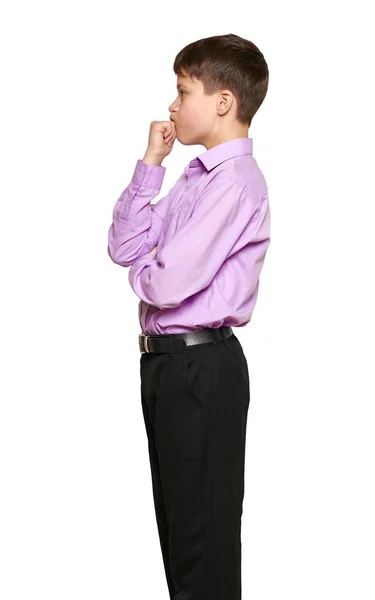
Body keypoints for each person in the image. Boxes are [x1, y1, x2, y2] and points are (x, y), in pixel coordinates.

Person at [108, 32, 271, 600]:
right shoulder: (194, 178)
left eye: (183, 91)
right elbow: (125, 245)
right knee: (180, 533)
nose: (172, 106)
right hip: (169, 368)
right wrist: (152, 162)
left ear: (223, 101)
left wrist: (147, 272)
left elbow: (167, 280)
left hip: (202, 368)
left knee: (203, 539)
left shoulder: (235, 182)